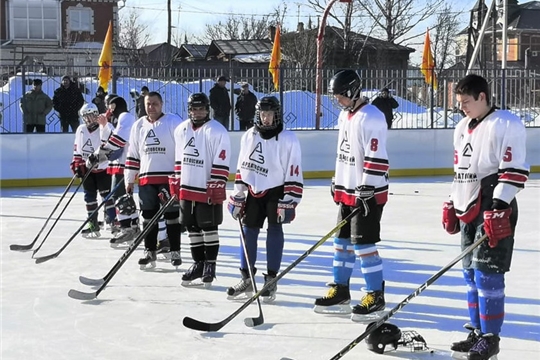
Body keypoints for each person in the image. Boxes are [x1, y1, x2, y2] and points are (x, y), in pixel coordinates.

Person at [442, 74, 529, 360]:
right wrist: (452, 202)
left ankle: (490, 338)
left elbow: (515, 170)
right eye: (459, 103)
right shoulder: (461, 127)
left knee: (488, 275)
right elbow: (460, 171)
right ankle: (477, 332)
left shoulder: (506, 123)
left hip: (493, 207)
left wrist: (499, 204)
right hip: (468, 206)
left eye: (466, 102)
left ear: (482, 97)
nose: (462, 107)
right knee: (469, 275)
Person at [313, 70, 389, 321]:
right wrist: (337, 180)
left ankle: (375, 294)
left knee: (364, 244)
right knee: (342, 242)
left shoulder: (372, 117)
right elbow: (343, 151)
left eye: (340, 96)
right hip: (347, 190)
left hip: (367, 193)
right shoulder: (346, 116)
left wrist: (367, 186)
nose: (337, 100)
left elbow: (376, 157)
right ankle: (340, 289)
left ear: (353, 91)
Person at [226, 96, 303, 302]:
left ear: (276, 115)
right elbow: (243, 165)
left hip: (276, 190)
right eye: (262, 114)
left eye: (269, 114)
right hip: (253, 190)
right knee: (248, 231)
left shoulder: (288, 138)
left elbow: (294, 168)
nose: (266, 118)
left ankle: (271, 280)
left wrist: (290, 197)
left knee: (274, 230)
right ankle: (247, 277)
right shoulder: (249, 135)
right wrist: (239, 192)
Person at [171, 93, 231, 287]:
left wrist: (217, 182)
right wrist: (177, 182)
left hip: (207, 187)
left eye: (201, 108)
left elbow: (222, 159)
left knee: (209, 227)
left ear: (207, 109)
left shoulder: (216, 131)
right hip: (187, 186)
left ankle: (210, 266)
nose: (197, 112)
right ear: (189, 110)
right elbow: (179, 158)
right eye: (194, 109)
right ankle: (198, 264)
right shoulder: (181, 130)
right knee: (192, 227)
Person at [124, 91, 183, 270]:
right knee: (148, 217)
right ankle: (150, 251)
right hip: (146, 179)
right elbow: (133, 153)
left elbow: (182, 149)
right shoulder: (138, 125)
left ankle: (175, 251)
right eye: (148, 104)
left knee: (172, 217)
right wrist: (129, 178)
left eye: (155, 103)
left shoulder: (173, 122)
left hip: (168, 179)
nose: (151, 107)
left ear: (162, 104)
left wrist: (180, 177)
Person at [93, 96, 140, 246]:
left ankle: (127, 228)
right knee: (121, 196)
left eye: (109, 106)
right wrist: (104, 125)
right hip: (119, 163)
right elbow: (109, 138)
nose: (108, 110)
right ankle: (132, 227)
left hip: (124, 163)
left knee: (119, 196)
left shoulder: (126, 117)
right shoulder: (120, 120)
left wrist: (97, 155)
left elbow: (117, 140)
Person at [70, 103, 117, 238]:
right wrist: (77, 164)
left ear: (96, 115)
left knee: (107, 197)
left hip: (103, 169)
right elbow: (77, 150)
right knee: (89, 197)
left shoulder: (105, 127)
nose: (88, 120)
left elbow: (109, 146)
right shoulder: (81, 129)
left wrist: (105, 125)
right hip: (87, 170)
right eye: (85, 117)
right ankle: (93, 224)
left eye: (90, 116)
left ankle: (113, 221)